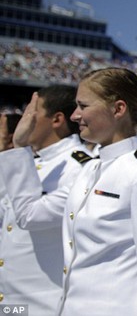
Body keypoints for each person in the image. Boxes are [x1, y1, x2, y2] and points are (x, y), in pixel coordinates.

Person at [1, 68, 137, 315]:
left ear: (118, 109)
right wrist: (19, 147)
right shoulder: (89, 170)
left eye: (83, 106)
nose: (75, 116)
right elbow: (31, 213)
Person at [0, 86, 90, 315]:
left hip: (44, 302)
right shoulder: (29, 161)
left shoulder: (80, 166)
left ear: (57, 119)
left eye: (32, 113)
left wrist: (19, 148)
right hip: (13, 301)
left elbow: (30, 216)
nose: (23, 121)